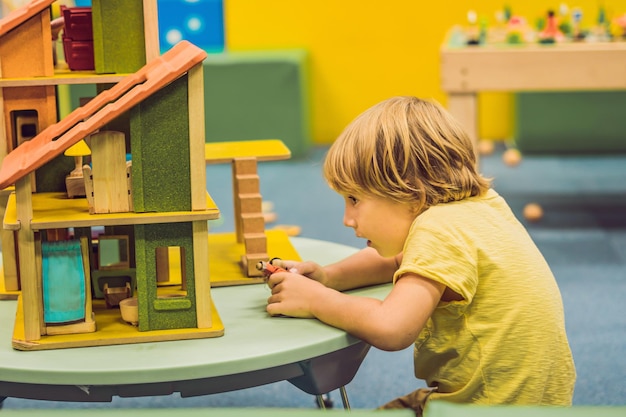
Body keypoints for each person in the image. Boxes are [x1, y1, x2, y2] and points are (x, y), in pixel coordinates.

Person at [265, 96, 576, 416]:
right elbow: (399, 261)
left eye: (355, 199)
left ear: (408, 191)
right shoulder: (481, 206)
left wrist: (317, 300)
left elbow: (392, 327)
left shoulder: (437, 230)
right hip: (538, 402)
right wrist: (329, 278)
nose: (347, 218)